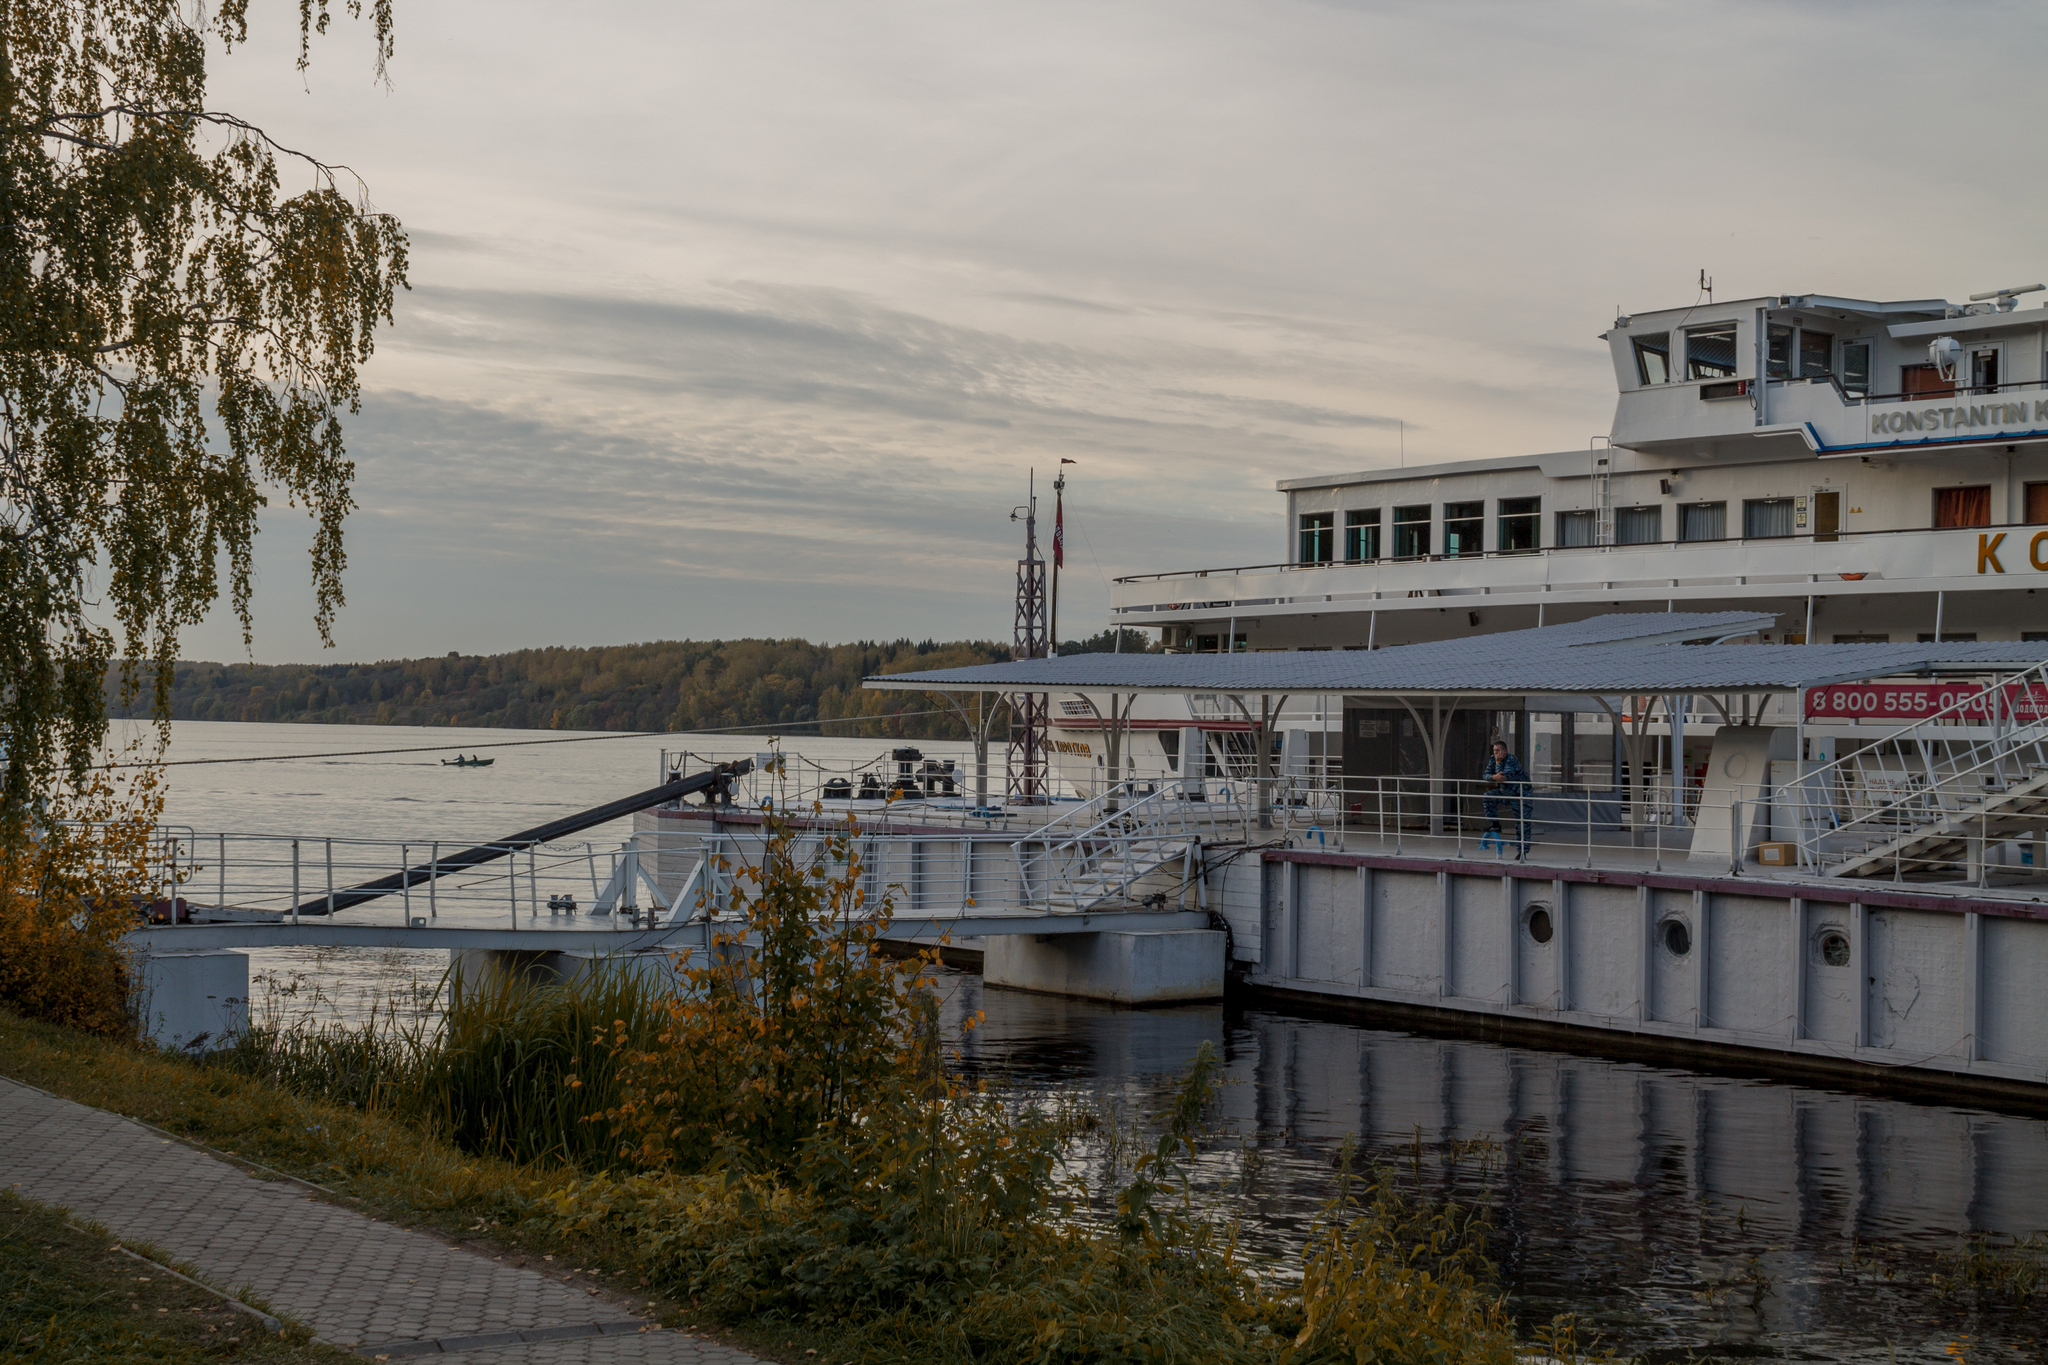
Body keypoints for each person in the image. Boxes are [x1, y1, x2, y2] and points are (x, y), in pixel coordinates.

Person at [1483, 738, 1531, 857]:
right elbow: (1486, 775)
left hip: (1520, 794)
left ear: (1505, 751)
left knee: (1522, 823)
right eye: (1494, 750)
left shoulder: (1512, 760)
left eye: (1498, 750)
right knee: (1488, 797)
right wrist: (1493, 776)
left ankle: (1522, 852)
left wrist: (1498, 765)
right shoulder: (1492, 759)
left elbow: (1504, 777)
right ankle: (1495, 824)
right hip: (1505, 791)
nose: (1495, 753)